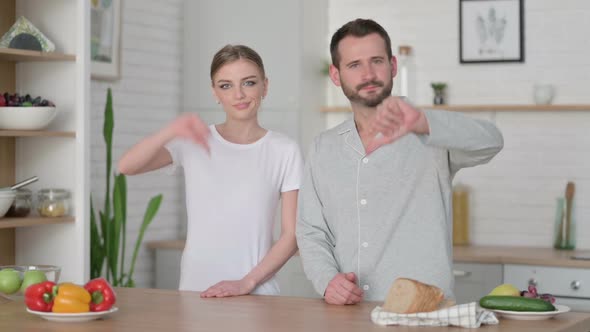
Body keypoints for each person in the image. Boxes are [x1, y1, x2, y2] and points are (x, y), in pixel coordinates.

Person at [296, 19, 504, 305]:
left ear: (393, 66)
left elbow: (491, 142)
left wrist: (425, 123)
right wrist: (326, 280)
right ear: (336, 74)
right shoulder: (323, 147)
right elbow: (311, 231)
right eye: (354, 64)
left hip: (424, 312)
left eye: (376, 61)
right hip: (348, 314)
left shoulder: (429, 134)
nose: (368, 74)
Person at [118, 44, 303, 297]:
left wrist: (246, 283)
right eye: (226, 85)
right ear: (215, 92)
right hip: (197, 291)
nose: (238, 94)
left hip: (257, 293)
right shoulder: (194, 140)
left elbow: (291, 235)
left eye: (248, 83)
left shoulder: (284, 150)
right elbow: (127, 166)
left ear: (265, 86)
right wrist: (171, 129)